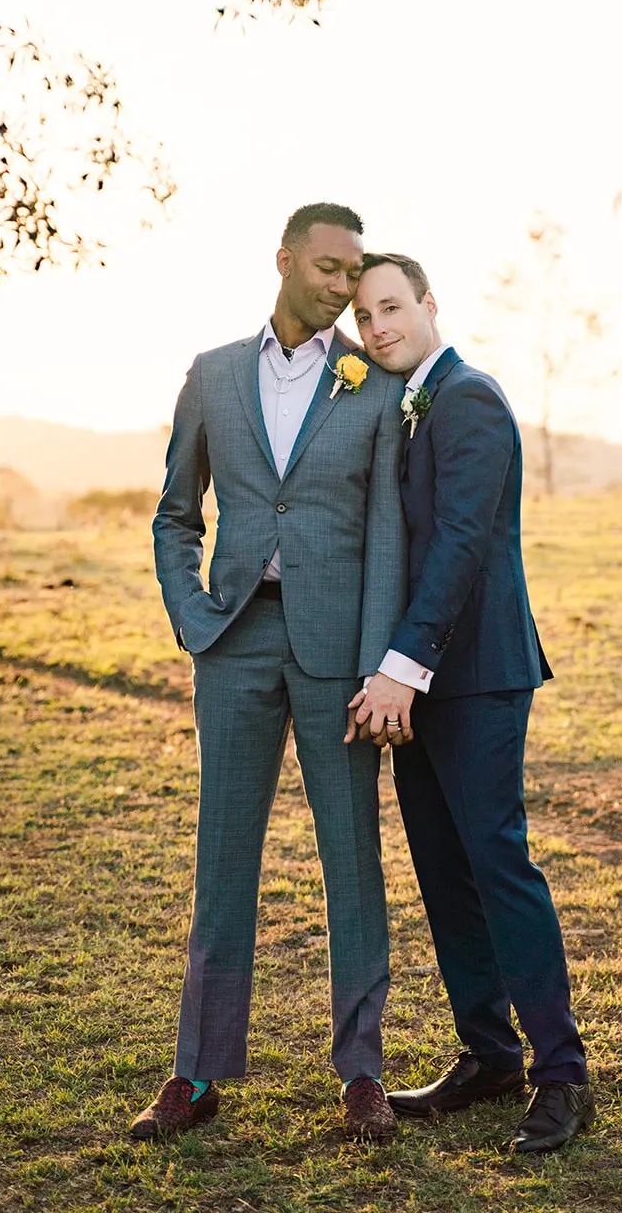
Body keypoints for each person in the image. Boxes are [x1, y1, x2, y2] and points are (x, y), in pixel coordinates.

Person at [130, 204, 406, 1144]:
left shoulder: (371, 382)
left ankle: (363, 1071)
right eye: (328, 269)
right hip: (234, 642)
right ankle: (196, 1074)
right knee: (222, 859)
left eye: (353, 273)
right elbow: (175, 513)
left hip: (338, 658)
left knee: (351, 862)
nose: (342, 289)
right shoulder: (210, 375)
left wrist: (377, 665)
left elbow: (386, 537)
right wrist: (192, 621)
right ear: (284, 260)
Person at [346, 251, 594, 1154]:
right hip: (418, 681)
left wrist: (401, 665)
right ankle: (488, 1055)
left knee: (497, 865)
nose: (377, 330)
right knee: (443, 869)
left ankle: (561, 1074)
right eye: (365, 318)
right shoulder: (405, 407)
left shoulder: (469, 398)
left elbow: (459, 543)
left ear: (427, 304)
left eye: (390, 308)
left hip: (478, 671)